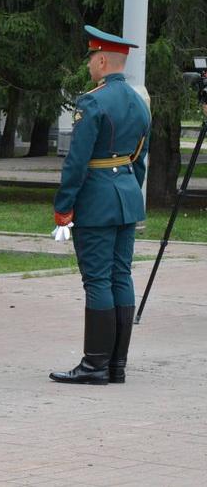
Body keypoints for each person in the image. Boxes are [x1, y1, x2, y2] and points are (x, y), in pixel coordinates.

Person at [49, 25, 150, 385]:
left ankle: (94, 365)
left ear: (103, 60)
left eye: (92, 57)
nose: (90, 64)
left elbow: (76, 162)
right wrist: (127, 192)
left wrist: (64, 207)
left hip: (96, 200)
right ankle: (115, 365)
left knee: (96, 280)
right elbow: (138, 159)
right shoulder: (139, 101)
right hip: (125, 197)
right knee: (120, 276)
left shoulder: (92, 101)